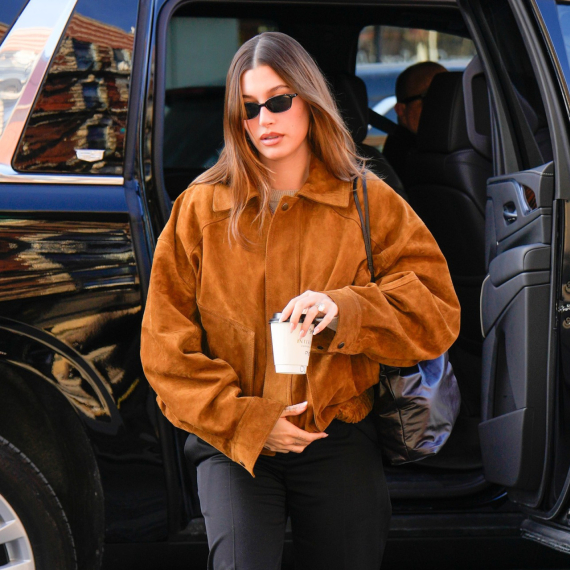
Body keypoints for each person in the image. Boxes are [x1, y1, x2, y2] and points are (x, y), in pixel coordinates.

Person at [140, 32, 460, 570]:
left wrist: (347, 309)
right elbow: (165, 351)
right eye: (249, 107)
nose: (264, 118)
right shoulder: (199, 210)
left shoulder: (368, 201)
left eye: (279, 101)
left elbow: (436, 311)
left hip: (338, 433)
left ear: (310, 100)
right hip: (234, 439)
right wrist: (250, 422)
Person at [383, 61, 447, 186]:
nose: (442, 105)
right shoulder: (405, 160)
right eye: (430, 97)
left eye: (449, 96)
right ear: (401, 110)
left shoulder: (449, 147)